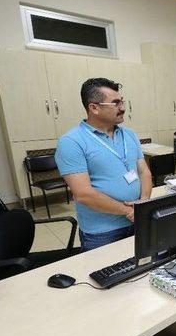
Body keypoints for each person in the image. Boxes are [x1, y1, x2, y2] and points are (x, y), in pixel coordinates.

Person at [55, 78, 152, 251]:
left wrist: (143, 203)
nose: (122, 107)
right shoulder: (71, 141)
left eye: (122, 101)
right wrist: (130, 211)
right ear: (94, 108)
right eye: (115, 103)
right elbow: (84, 194)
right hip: (103, 232)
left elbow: (144, 172)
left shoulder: (129, 135)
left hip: (138, 221)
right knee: (107, 276)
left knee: (143, 271)